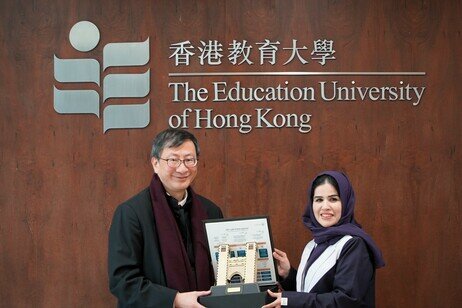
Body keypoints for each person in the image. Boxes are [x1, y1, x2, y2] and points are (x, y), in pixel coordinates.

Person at [108, 128, 223, 307]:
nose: (182, 168)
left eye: (189, 160)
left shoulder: (211, 211)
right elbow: (123, 282)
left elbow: (221, 270)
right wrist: (175, 300)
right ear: (155, 163)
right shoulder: (131, 213)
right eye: (173, 160)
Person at [264, 171, 385, 308]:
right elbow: (310, 291)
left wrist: (289, 300)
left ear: (346, 202)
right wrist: (289, 274)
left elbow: (346, 301)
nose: (325, 207)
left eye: (333, 199)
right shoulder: (313, 244)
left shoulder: (354, 245)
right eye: (319, 200)